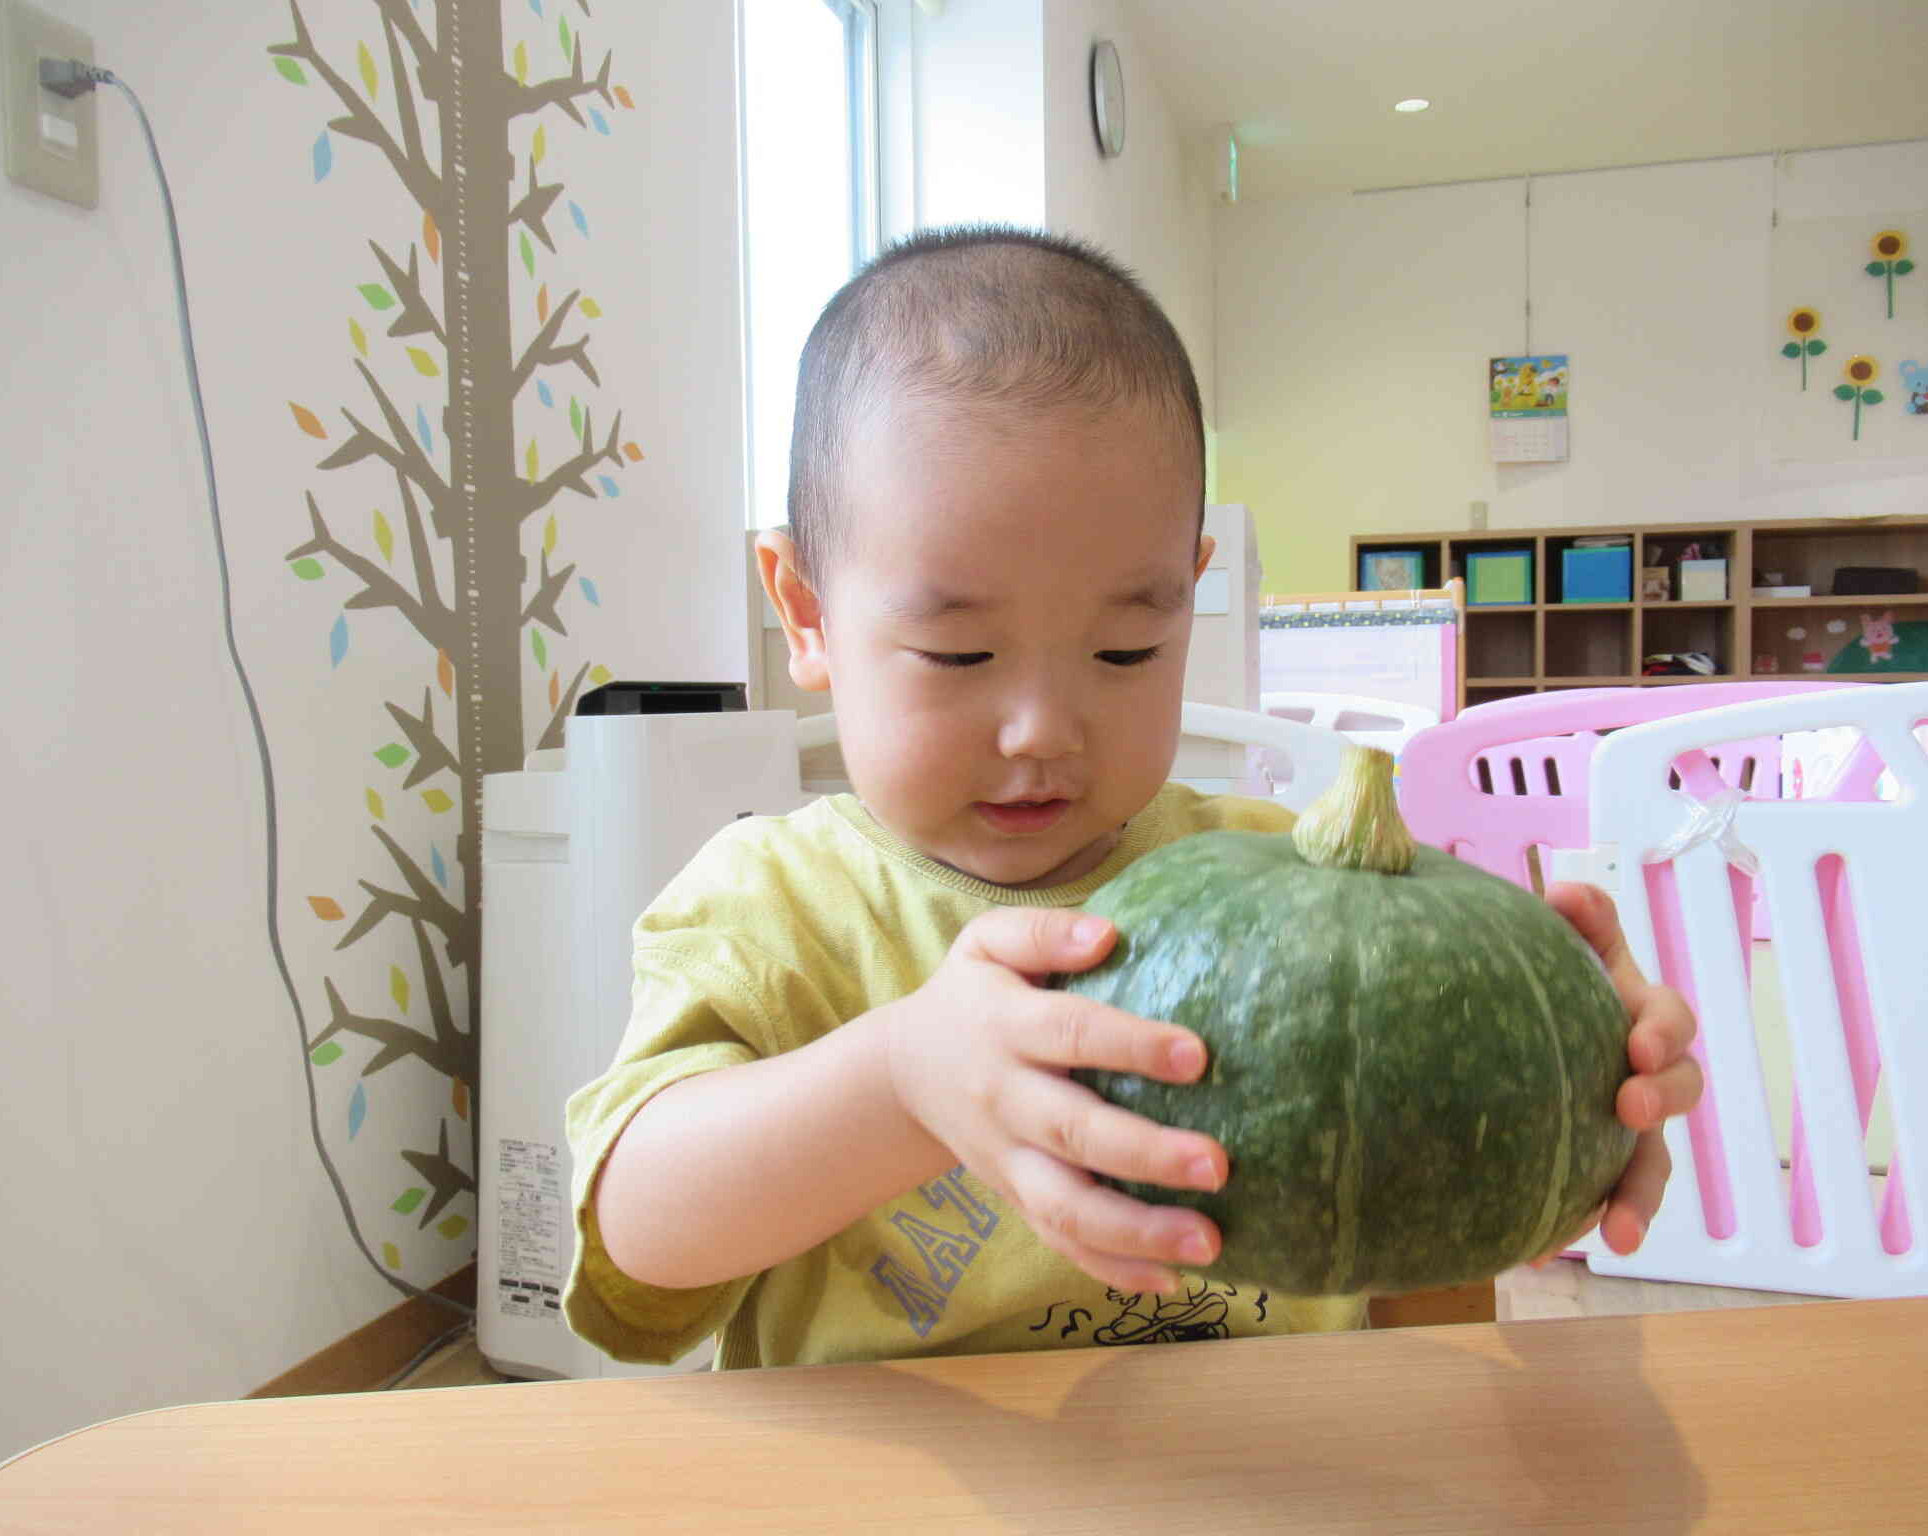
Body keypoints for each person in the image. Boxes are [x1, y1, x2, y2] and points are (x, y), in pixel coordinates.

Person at [564, 226, 1701, 1370]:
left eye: (1124, 649)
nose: (1043, 730)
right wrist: (903, 1077)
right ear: (804, 612)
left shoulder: (1290, 874)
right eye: (957, 657)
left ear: (1188, 601)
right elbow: (640, 1236)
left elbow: (1422, 1267)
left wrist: (1567, 1089)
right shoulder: (772, 909)